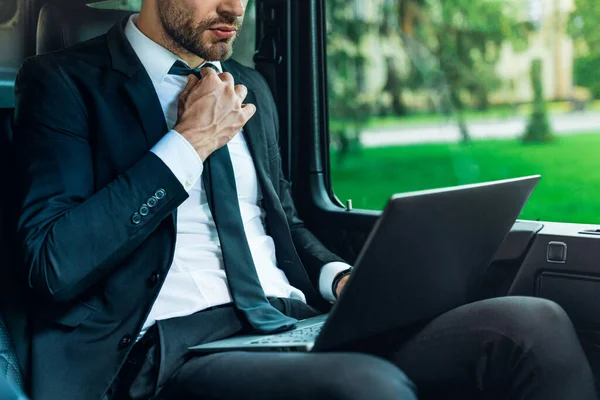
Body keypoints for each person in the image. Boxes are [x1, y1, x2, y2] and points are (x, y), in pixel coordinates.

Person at [12, 0, 597, 399]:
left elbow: (284, 222)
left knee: (531, 323)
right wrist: (187, 144)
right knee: (363, 386)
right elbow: (51, 263)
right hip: (169, 348)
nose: (233, 7)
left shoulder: (250, 86)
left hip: (289, 321)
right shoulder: (64, 84)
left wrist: (341, 279)